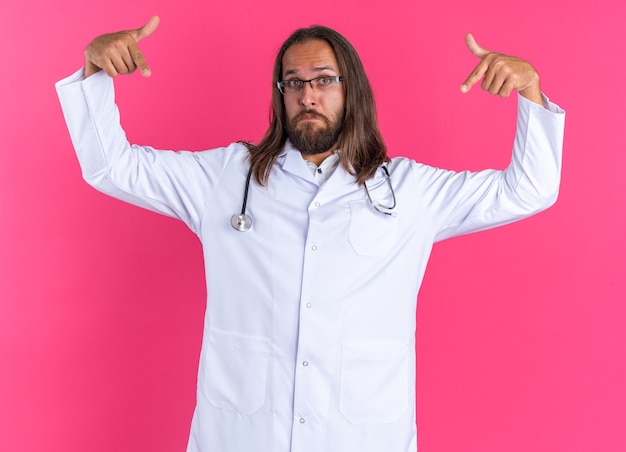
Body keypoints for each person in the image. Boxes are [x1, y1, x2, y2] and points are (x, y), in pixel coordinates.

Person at [56, 15, 565, 452]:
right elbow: (110, 166)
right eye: (293, 83)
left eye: (322, 79)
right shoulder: (224, 179)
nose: (307, 95)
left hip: (361, 436)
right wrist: (95, 68)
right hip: (242, 434)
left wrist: (530, 91)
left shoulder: (411, 191)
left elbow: (529, 190)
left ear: (351, 88)